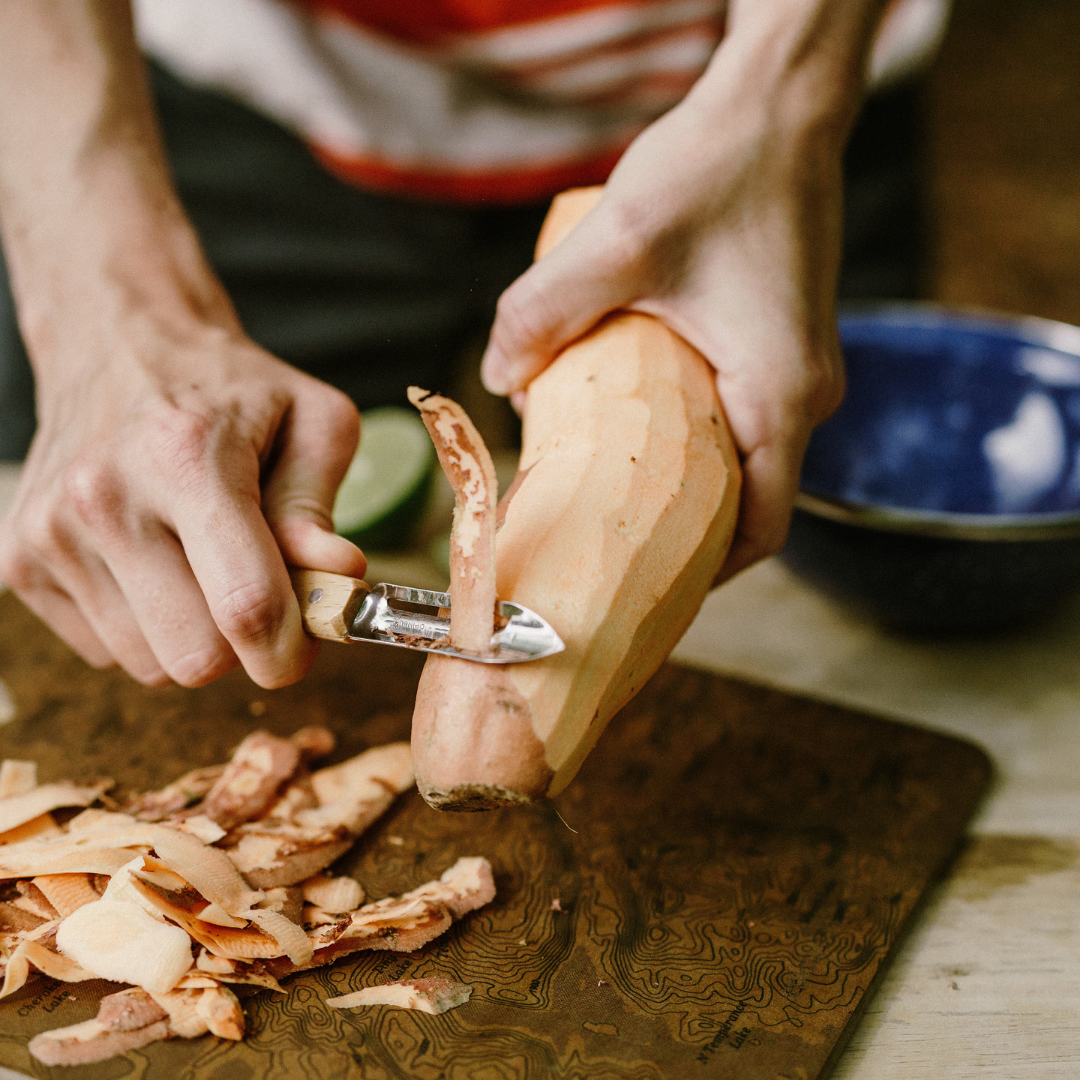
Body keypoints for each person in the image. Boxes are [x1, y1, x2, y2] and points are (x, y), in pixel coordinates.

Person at [0, 0, 943, 690]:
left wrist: (786, 104)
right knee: (163, 545)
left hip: (779, 83)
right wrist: (106, 307)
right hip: (233, 91)